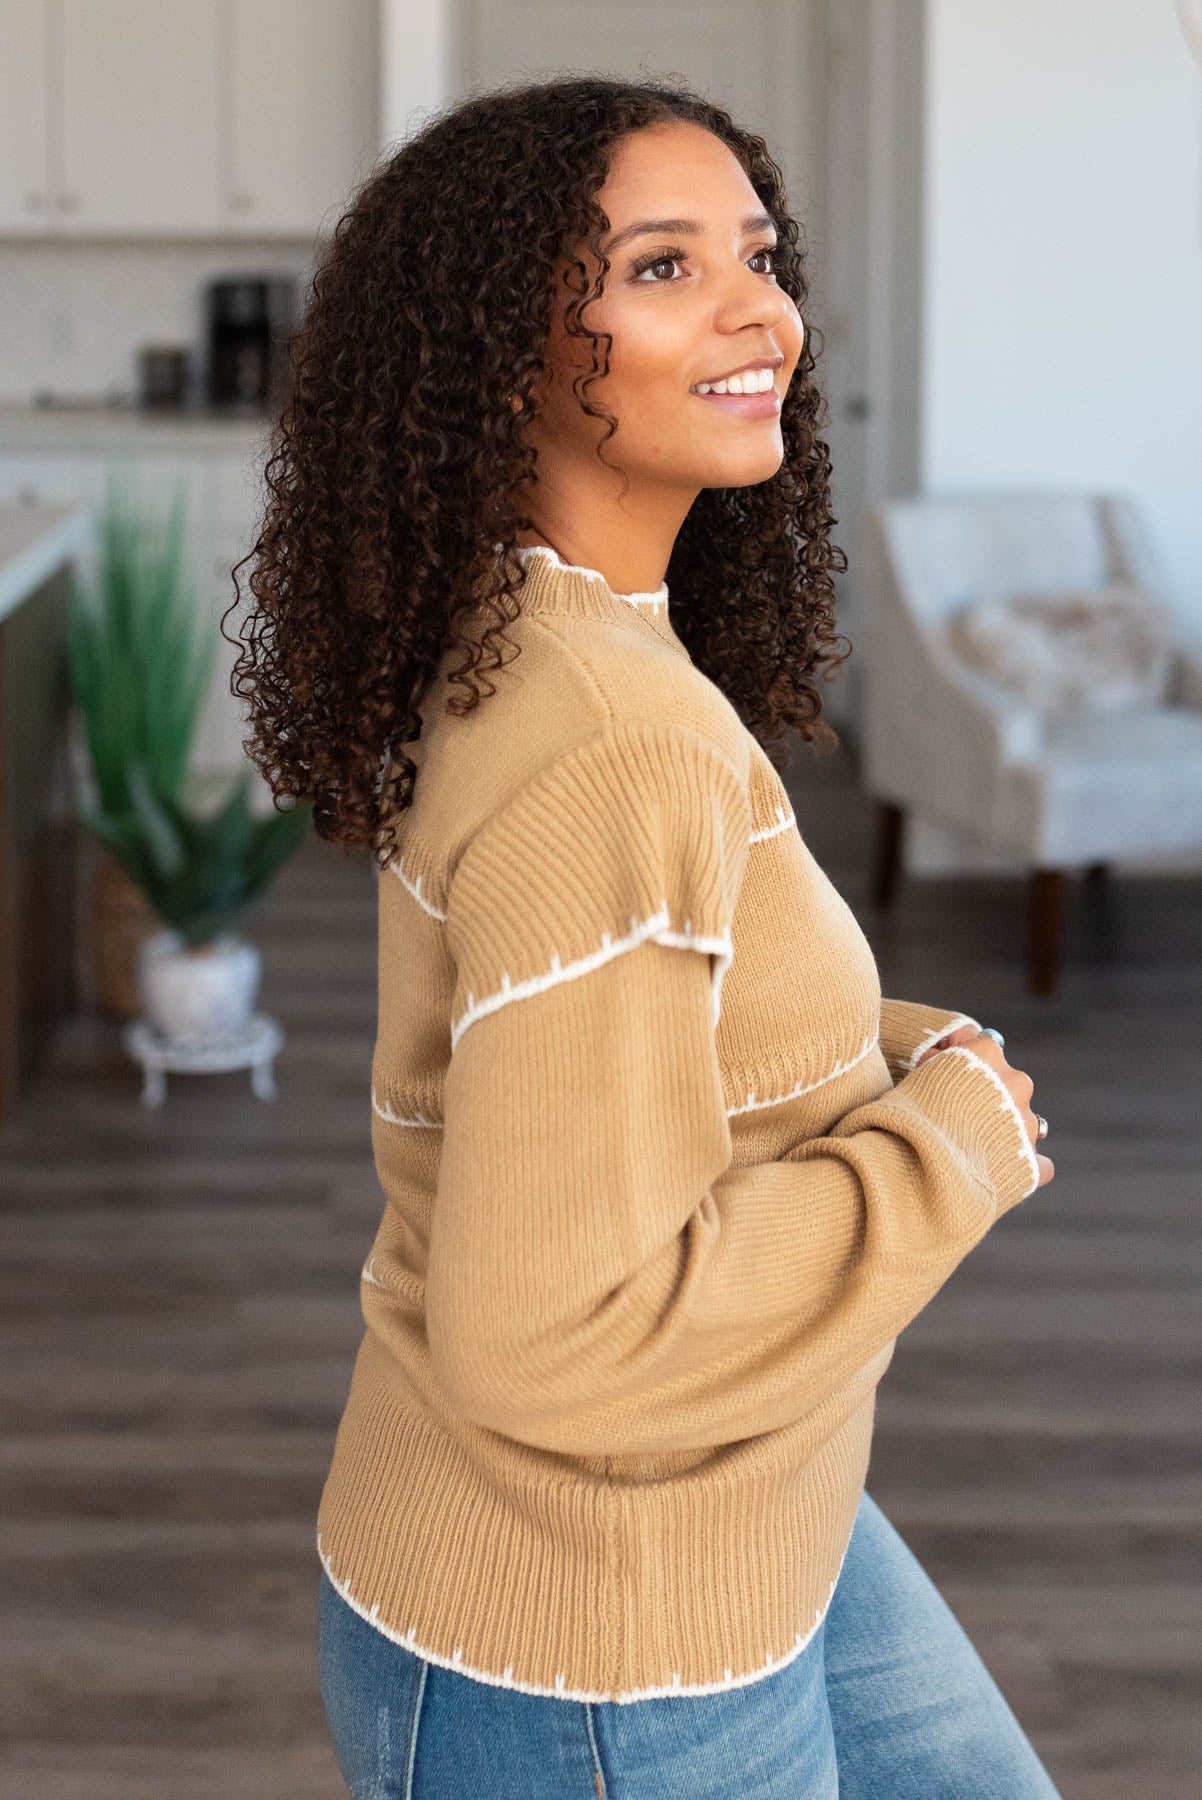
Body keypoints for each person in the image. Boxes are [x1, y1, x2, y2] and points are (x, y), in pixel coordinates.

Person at [230, 72, 1061, 1800]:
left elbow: (651, 1021)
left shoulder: (565, 637)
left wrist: (885, 1050)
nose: (760, 308)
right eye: (661, 268)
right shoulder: (613, 743)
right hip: (597, 1648)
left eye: (755, 254)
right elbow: (559, 1340)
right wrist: (947, 1159)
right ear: (500, 345)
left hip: (755, 1504)